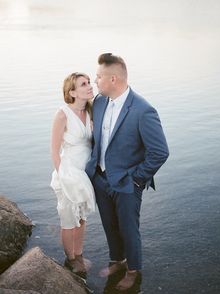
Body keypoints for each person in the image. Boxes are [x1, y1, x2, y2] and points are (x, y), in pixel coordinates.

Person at [86, 53, 169, 291]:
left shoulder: (143, 110)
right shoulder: (100, 102)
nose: (95, 80)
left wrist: (136, 179)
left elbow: (160, 152)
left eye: (99, 76)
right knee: (109, 225)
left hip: (127, 183)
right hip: (101, 179)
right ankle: (117, 261)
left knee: (129, 229)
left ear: (113, 79)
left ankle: (133, 270)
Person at [50, 72, 95, 276]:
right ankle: (70, 260)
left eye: (89, 82)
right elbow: (54, 149)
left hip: (85, 174)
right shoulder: (63, 114)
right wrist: (62, 176)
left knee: (82, 216)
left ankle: (79, 254)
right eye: (83, 84)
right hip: (68, 172)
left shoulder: (91, 110)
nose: (89, 86)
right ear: (73, 92)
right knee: (68, 218)